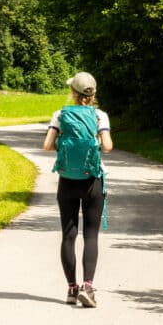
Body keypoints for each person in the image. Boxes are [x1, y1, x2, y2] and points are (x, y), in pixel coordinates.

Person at [43, 72, 113, 308]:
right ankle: (88, 287)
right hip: (93, 180)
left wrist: (66, 148)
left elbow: (47, 145)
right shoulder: (99, 115)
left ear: (73, 92)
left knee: (68, 234)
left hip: (67, 180)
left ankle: (72, 290)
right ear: (93, 94)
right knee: (90, 235)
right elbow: (108, 146)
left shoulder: (61, 114)